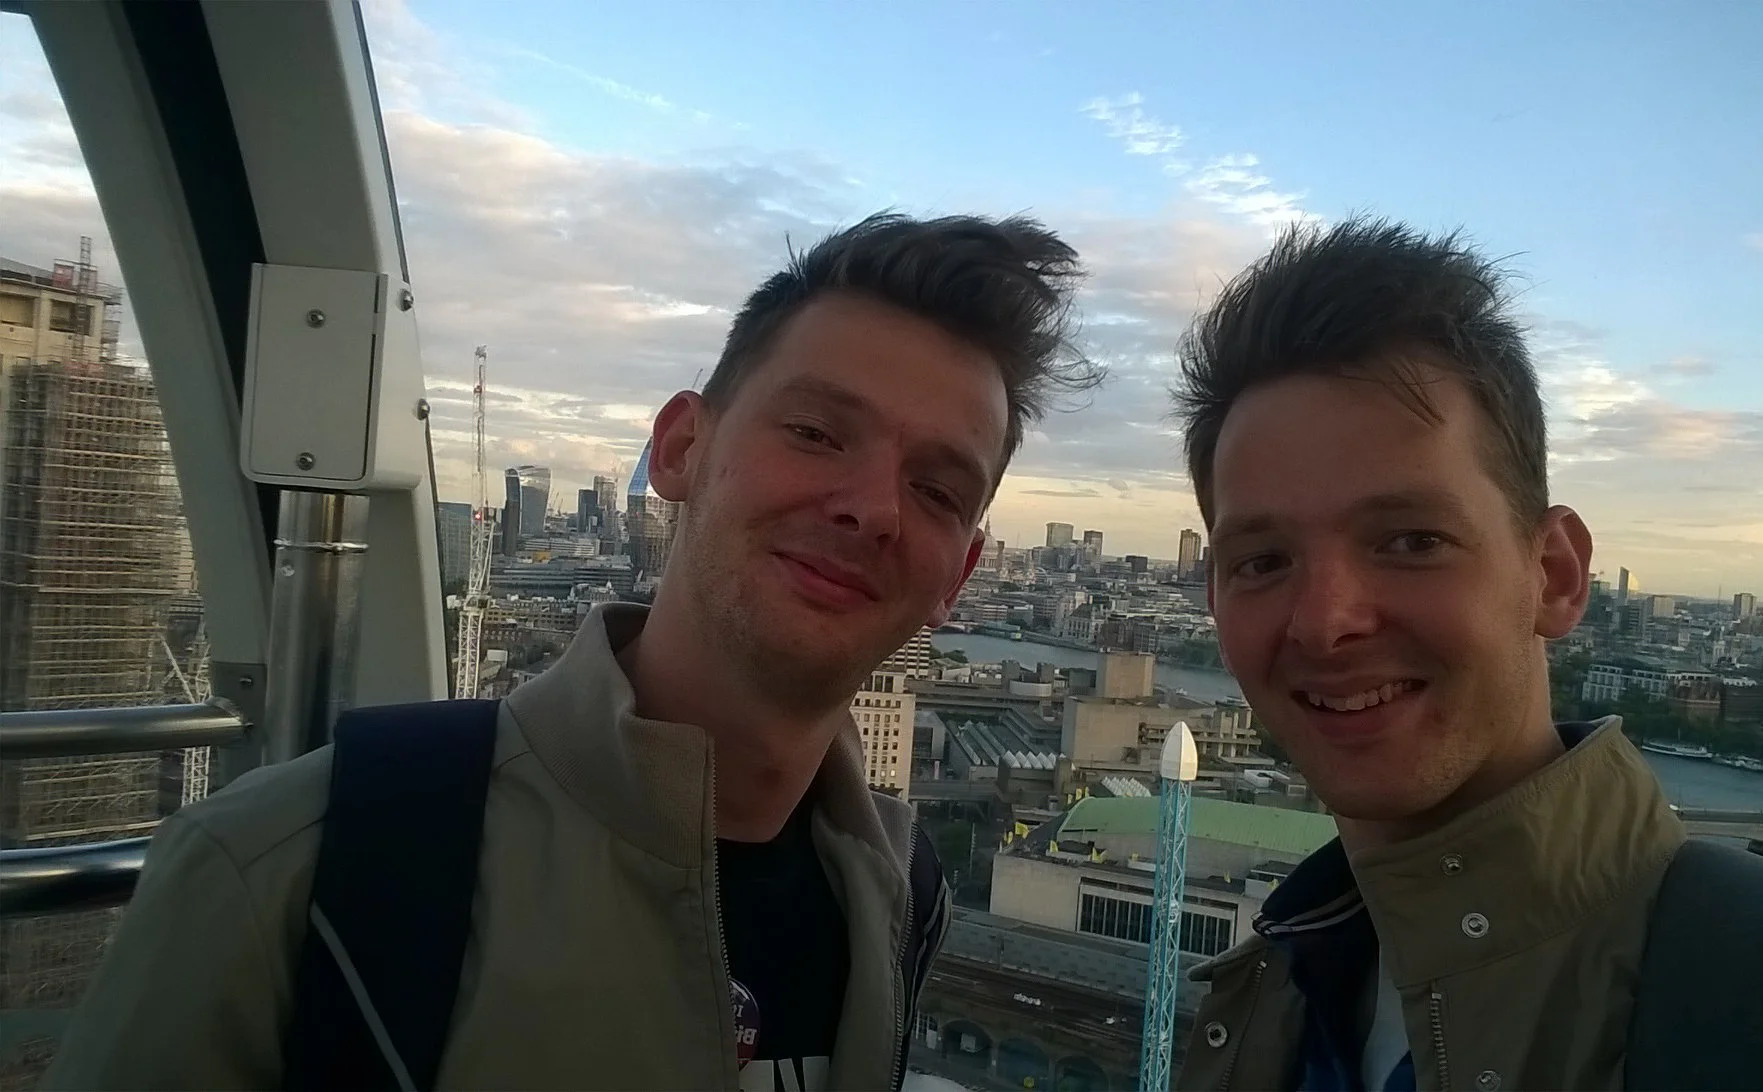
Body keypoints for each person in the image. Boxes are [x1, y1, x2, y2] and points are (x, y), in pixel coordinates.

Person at [46, 212, 1099, 1091]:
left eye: (938, 490)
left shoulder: (898, 894)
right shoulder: (285, 871)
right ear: (681, 448)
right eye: (818, 433)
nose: (872, 508)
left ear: (959, 576)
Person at [1170, 217, 1763, 1090]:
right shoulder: (1269, 997)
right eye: (1262, 561)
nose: (1325, 622)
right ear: (1215, 600)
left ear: (1556, 574)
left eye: (1410, 540)